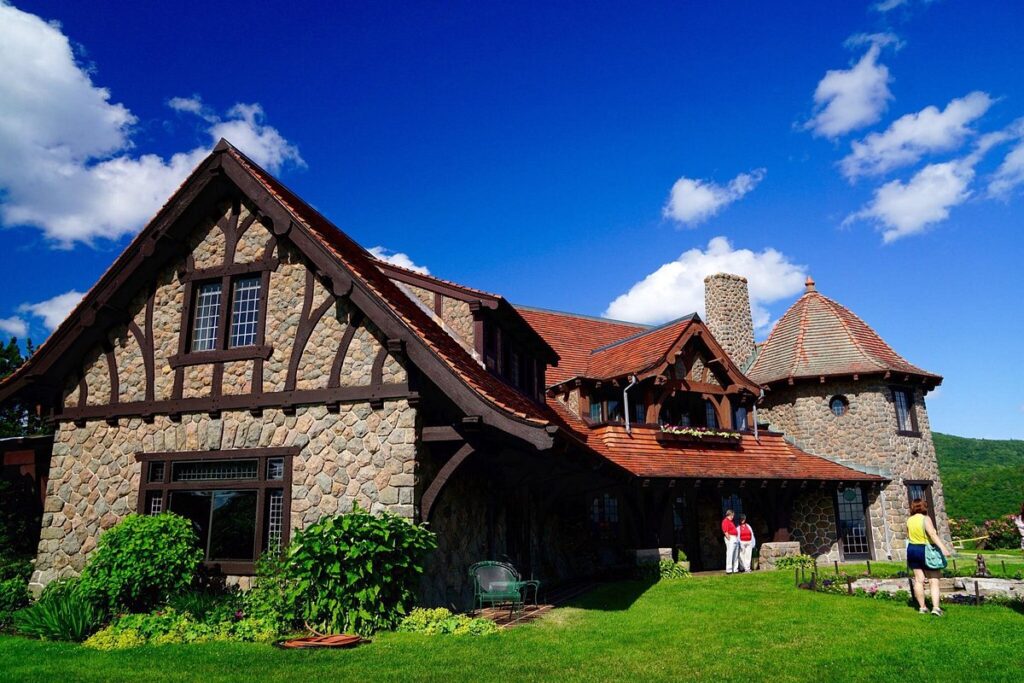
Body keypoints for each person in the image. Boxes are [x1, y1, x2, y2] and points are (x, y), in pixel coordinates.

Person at [906, 498, 950, 616]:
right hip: (926, 549)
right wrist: (943, 548)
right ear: (924, 506)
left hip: (912, 549)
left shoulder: (909, 520)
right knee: (933, 580)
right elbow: (931, 534)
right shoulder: (925, 519)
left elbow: (908, 535)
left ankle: (922, 607)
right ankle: (936, 608)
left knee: (919, 580)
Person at [721, 509, 739, 574]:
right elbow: (725, 530)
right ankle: (729, 570)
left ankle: (735, 569)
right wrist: (729, 538)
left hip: (735, 538)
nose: (733, 517)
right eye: (732, 515)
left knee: (735, 554)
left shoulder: (731, 521)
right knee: (730, 553)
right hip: (731, 538)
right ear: (730, 514)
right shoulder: (725, 521)